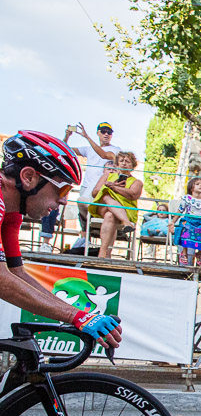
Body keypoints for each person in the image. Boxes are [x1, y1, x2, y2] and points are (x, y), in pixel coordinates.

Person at [0, 131, 121, 348]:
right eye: (63, 189)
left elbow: (15, 273)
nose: (64, 201)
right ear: (28, 177)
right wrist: (76, 316)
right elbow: (1, 281)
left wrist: (80, 315)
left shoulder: (11, 213)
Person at [64, 122, 119, 246]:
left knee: (97, 215)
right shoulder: (88, 149)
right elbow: (66, 150)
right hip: (87, 187)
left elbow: (103, 154)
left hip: (102, 189)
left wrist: (86, 137)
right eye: (103, 131)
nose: (106, 134)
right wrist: (67, 136)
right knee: (83, 212)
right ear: (98, 133)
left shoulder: (115, 150)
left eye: (109, 132)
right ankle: (85, 241)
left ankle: (100, 246)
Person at [90, 150, 143, 258]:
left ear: (132, 166)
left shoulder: (136, 182)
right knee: (105, 196)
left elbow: (133, 194)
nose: (124, 163)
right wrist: (108, 186)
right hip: (103, 208)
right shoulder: (107, 176)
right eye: (121, 161)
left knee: (110, 215)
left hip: (125, 209)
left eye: (127, 161)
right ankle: (126, 222)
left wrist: (115, 188)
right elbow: (95, 193)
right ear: (117, 164)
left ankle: (104, 252)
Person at [173, 178, 201, 267]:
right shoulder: (188, 199)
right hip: (188, 220)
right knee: (186, 228)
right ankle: (184, 252)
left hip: (200, 222)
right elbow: (180, 211)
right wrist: (173, 222)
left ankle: (200, 253)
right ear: (191, 188)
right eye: (197, 184)